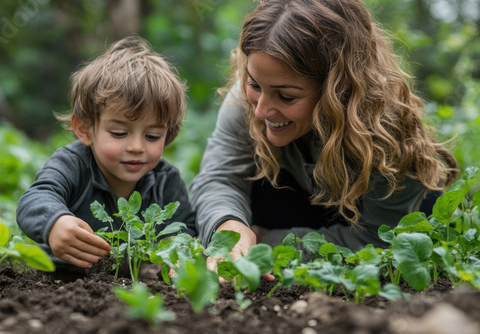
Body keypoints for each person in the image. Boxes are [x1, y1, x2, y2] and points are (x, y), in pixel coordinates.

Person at [190, 0, 458, 269]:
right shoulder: (247, 104)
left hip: (375, 222)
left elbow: (378, 241)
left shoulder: (389, 136)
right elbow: (220, 178)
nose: (260, 111)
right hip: (305, 209)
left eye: (286, 96)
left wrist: (267, 243)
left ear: (339, 90)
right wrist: (229, 228)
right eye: (253, 84)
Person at [16, 36, 196, 280]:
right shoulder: (73, 163)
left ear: (169, 135)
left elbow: (185, 230)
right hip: (55, 283)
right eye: (119, 133)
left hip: (128, 290)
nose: (136, 147)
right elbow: (34, 199)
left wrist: (178, 259)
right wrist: (55, 223)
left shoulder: (167, 182)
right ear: (85, 130)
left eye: (152, 136)